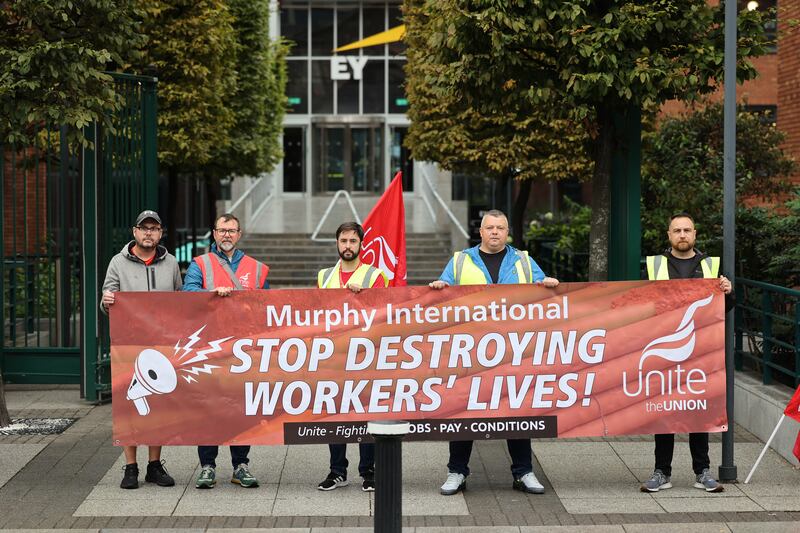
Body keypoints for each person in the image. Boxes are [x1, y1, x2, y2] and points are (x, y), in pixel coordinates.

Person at [429, 209, 559, 496]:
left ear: (508, 231)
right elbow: (445, 290)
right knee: (464, 411)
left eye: (500, 227)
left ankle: (524, 472)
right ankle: (456, 472)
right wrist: (440, 287)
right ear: (481, 231)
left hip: (513, 349)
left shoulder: (524, 260)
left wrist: (548, 285)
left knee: (516, 410)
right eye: (490, 227)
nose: (495, 232)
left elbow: (541, 289)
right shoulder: (460, 260)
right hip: (472, 352)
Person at [640, 212, 733, 494]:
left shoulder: (710, 265)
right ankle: (661, 472)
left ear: (695, 234)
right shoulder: (654, 265)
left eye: (687, 230)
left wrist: (728, 293)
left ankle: (702, 471)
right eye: (677, 230)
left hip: (701, 352)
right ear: (668, 235)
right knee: (665, 411)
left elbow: (725, 310)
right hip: (666, 350)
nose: (682, 235)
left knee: (698, 411)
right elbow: (642, 305)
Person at [183, 213, 269, 489]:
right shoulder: (200, 264)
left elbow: (267, 305)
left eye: (232, 230)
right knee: (208, 408)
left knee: (241, 408)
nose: (227, 235)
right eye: (222, 230)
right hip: (209, 347)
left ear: (239, 234)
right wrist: (211, 296)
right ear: (214, 233)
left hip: (244, 350)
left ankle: (240, 465)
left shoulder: (256, 268)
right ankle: (207, 465)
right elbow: (187, 294)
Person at [101, 210, 182, 490]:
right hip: (129, 345)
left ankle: (154, 466)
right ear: (134, 231)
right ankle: (131, 467)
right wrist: (108, 299)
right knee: (128, 408)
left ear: (160, 233)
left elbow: (180, 301)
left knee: (158, 407)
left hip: (160, 347)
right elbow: (107, 299)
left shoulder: (170, 263)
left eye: (154, 228)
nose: (149, 233)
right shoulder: (117, 263)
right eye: (144, 228)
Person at [315, 222, 388, 493]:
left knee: (365, 412)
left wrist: (364, 297)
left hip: (366, 355)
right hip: (336, 354)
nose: (348, 246)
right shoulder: (324, 276)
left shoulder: (375, 275)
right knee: (335, 413)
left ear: (361, 244)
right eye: (343, 240)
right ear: (337, 243)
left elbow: (384, 314)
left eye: (353, 241)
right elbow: (316, 315)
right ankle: (337, 471)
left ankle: (368, 470)